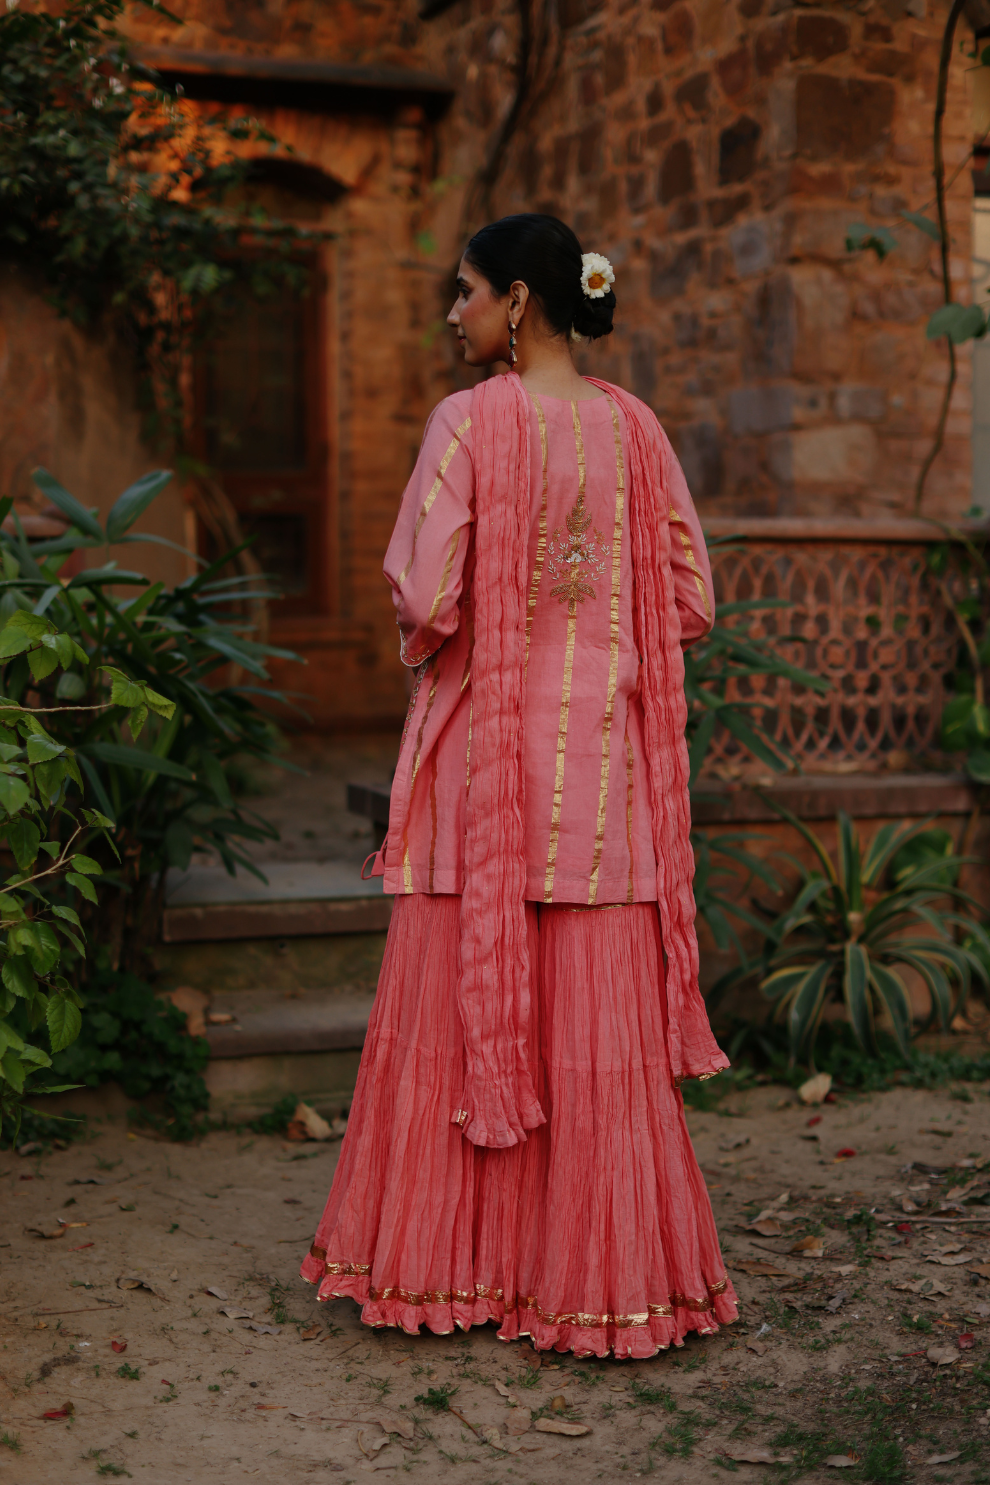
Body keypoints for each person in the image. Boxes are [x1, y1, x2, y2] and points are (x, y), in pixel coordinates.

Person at [301, 214, 738, 1360]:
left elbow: (426, 594)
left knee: (459, 1026)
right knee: (594, 1052)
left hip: (482, 784)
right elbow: (689, 599)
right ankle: (598, 1291)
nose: (455, 313)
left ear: (521, 305)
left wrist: (496, 618)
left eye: (466, 292)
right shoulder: (637, 431)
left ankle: (454, 1273)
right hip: (601, 793)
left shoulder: (469, 424)